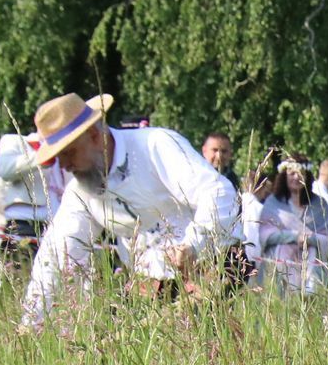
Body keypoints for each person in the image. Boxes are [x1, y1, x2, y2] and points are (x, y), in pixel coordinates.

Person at [18, 92, 241, 330]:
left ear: (94, 136)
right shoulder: (80, 192)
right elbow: (55, 256)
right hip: (150, 288)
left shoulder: (155, 145)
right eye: (58, 157)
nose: (64, 165)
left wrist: (192, 244)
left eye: (68, 152)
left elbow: (219, 192)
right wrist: (31, 325)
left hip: (212, 271)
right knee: (105, 354)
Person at [0, 131, 64, 283]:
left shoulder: (67, 148)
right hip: (23, 226)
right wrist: (42, 155)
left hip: (58, 229)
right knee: (18, 286)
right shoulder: (15, 141)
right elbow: (5, 169)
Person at [257, 159, 328, 294]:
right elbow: (265, 234)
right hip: (277, 269)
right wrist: (293, 236)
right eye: (292, 173)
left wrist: (309, 239)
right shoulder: (272, 203)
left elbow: (327, 236)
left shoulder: (319, 204)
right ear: (284, 176)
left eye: (301, 173)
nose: (296, 177)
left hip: (311, 266)